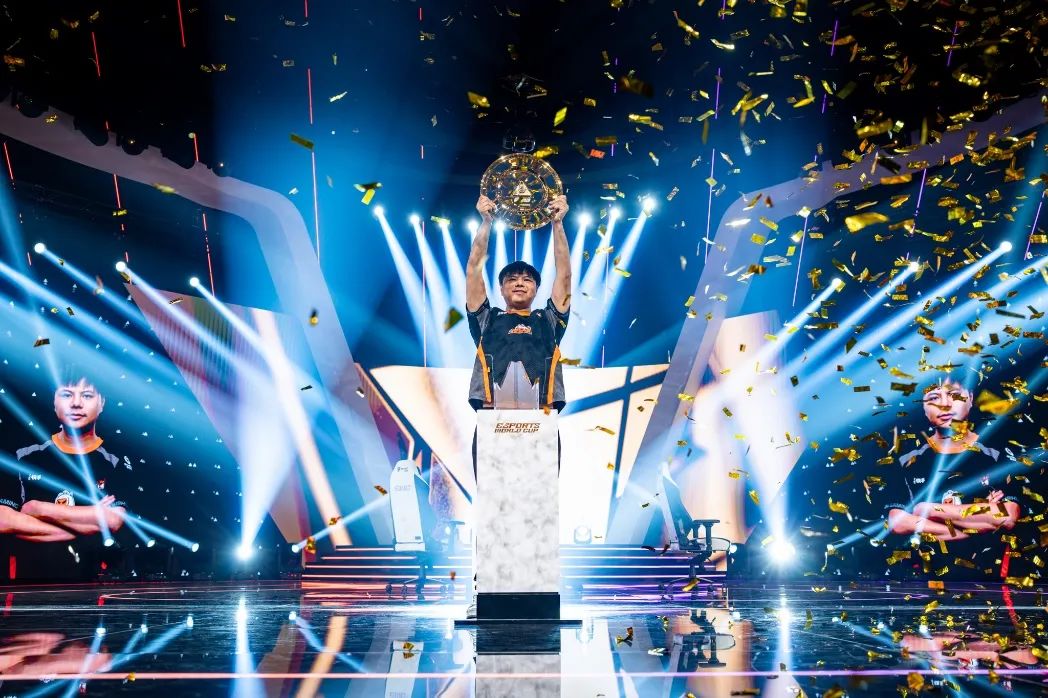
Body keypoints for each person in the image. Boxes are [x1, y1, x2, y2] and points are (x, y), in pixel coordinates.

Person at [464, 192, 572, 618]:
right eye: (512, 278)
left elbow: (565, 272)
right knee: (491, 505)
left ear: (537, 288)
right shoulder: (486, 319)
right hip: (492, 425)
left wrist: (558, 223)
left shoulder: (549, 321)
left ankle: (540, 585)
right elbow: (474, 268)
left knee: (540, 504)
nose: (521, 282)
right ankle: (483, 587)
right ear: (503, 287)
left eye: (528, 278)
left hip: (541, 425)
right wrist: (486, 222)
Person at [0, 368, 133, 581]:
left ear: (101, 403)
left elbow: (113, 521)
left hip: (93, 585)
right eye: (67, 394)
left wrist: (38, 509)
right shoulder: (24, 454)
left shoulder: (115, 459)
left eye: (87, 395)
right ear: (54, 402)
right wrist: (91, 520)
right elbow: (4, 520)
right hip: (28, 586)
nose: (76, 403)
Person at [886, 377, 1019, 542]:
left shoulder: (997, 452)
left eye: (954, 395)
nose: (945, 404)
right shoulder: (907, 459)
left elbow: (1008, 517)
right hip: (929, 558)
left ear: (970, 398)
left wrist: (928, 510)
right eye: (934, 397)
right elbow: (898, 523)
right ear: (923, 406)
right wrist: (981, 517)